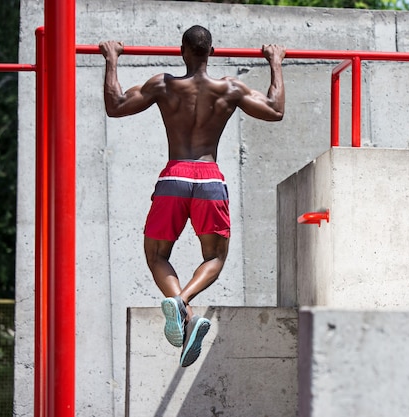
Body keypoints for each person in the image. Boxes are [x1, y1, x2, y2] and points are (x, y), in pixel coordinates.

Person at [99, 25, 286, 367]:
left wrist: (112, 59)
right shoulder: (230, 88)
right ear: (211, 52)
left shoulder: (163, 84)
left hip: (174, 177)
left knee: (156, 256)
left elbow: (116, 105)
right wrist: (275, 62)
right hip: (209, 179)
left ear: (181, 51)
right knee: (214, 258)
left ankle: (181, 308)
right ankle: (184, 302)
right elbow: (275, 109)